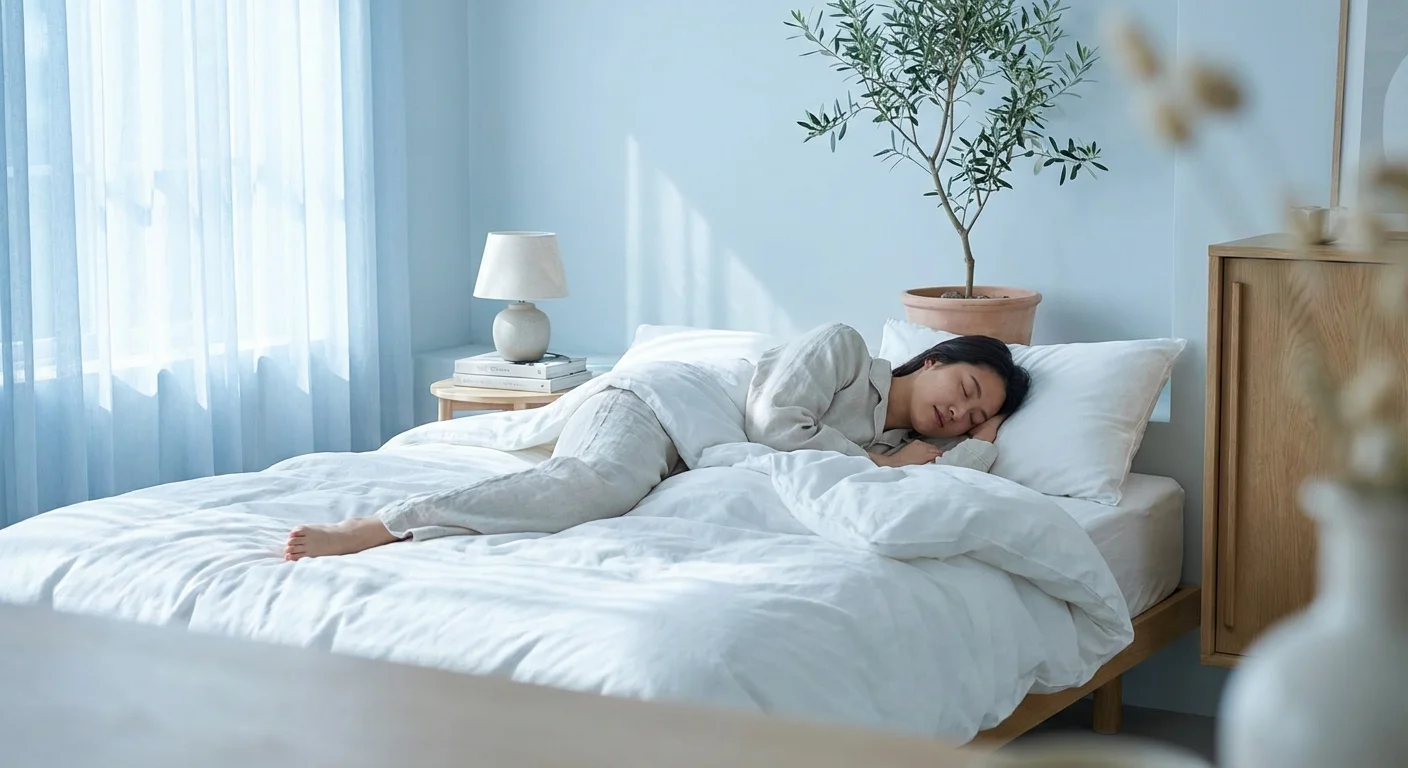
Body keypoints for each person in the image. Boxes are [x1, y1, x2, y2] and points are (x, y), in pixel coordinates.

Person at [283, 323, 1031, 560]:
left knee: (619, 495)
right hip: (656, 403)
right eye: (965, 392)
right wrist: (882, 463)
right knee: (600, 484)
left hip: (689, 451)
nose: (959, 416)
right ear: (933, 359)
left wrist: (986, 441)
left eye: (975, 417)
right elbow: (773, 424)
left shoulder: (897, 442)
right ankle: (385, 524)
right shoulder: (841, 349)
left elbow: (945, 478)